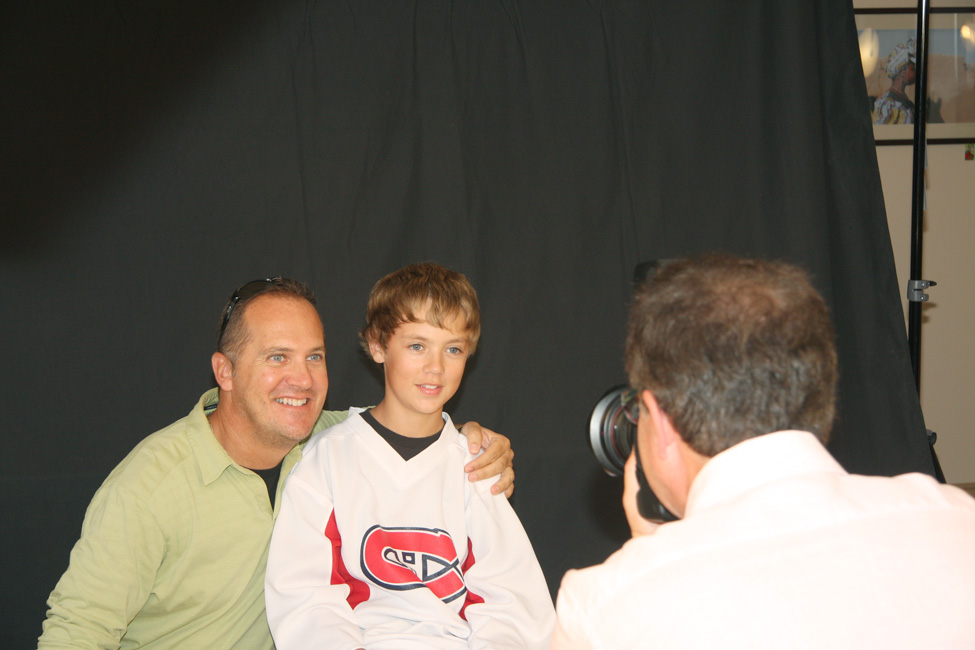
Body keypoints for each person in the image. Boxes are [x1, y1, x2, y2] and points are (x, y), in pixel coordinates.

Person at [38, 277, 516, 650]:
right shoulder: (152, 485)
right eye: (277, 357)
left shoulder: (331, 442)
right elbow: (76, 631)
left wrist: (475, 441)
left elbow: (408, 429)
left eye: (314, 357)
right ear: (224, 371)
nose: (301, 379)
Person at [549, 254, 975, 649]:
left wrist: (645, 558)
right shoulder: (959, 520)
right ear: (819, 393)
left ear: (658, 422)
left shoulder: (604, 607)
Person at [265, 263, 555, 650]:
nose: (435, 367)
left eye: (452, 349)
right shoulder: (327, 459)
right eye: (417, 346)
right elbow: (306, 597)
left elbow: (513, 603)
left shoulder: (477, 464)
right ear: (377, 345)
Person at [872, 39, 916, 124]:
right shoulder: (887, 103)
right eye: (912, 69)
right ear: (902, 72)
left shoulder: (906, 101)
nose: (915, 72)